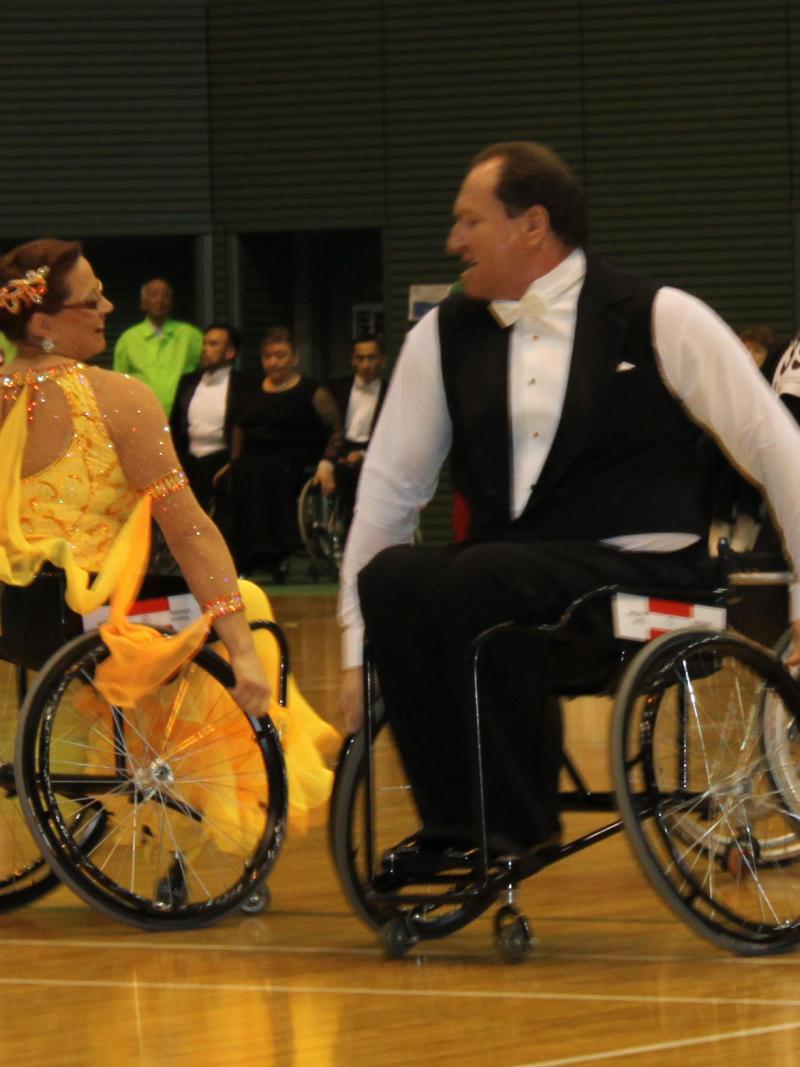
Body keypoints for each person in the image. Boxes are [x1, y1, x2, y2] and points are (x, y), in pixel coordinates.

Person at [338, 141, 800, 856]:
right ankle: (455, 823)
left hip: (648, 586)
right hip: (512, 582)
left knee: (482, 574)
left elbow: (778, 449)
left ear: (532, 225)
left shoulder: (659, 314)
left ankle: (515, 826)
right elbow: (389, 491)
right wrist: (351, 649)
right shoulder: (442, 334)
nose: (451, 241)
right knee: (393, 577)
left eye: (469, 221)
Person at [0, 239, 338, 828]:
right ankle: (237, 810)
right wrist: (239, 650)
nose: (108, 307)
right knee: (246, 607)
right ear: (44, 322)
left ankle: (82, 777)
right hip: (92, 616)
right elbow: (189, 530)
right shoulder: (118, 398)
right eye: (93, 300)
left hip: (14, 617)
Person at [222, 326, 342, 581]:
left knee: (271, 473)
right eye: (268, 357)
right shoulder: (251, 391)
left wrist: (327, 462)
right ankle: (242, 555)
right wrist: (233, 460)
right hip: (253, 457)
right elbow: (239, 427)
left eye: (280, 355)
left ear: (294, 358)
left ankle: (273, 554)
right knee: (237, 476)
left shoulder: (312, 391)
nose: (273, 362)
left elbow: (334, 429)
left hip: (294, 456)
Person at [170, 322, 242, 512]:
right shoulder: (188, 382)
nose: (205, 350)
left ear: (230, 352)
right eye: (205, 344)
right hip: (190, 461)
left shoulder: (242, 386)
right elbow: (176, 424)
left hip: (223, 462)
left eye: (213, 344)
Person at [113, 277, 203, 416]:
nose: (160, 300)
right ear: (144, 303)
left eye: (166, 295)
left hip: (185, 415)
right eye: (154, 295)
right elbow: (118, 384)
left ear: (172, 302)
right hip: (142, 416)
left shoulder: (190, 335)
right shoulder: (128, 339)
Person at [327, 334, 387, 525]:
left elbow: (391, 437)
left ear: (382, 360)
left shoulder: (390, 392)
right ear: (353, 360)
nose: (366, 364)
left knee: (359, 473)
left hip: (375, 451)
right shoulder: (337, 389)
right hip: (341, 447)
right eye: (360, 358)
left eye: (372, 358)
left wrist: (363, 454)